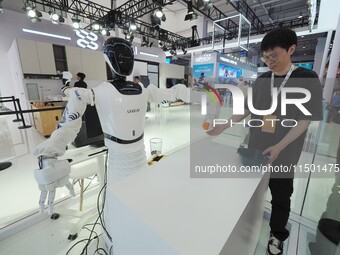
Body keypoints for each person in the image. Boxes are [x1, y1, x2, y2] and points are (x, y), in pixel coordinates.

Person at [32, 37, 190, 251]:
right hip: (130, 161)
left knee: (122, 207)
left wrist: (49, 152)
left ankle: (127, 242)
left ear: (107, 59)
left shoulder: (100, 92)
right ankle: (131, 241)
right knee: (133, 205)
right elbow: (175, 93)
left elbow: (69, 125)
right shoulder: (140, 90)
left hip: (126, 162)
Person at [207, 28, 323, 255]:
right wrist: (224, 125)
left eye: (274, 56)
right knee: (249, 190)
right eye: (265, 57)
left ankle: (277, 235)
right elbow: (247, 109)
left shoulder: (308, 79)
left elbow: (305, 120)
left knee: (281, 196)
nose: (269, 62)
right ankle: (247, 224)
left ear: (291, 50)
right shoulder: (262, 79)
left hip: (285, 153)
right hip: (255, 150)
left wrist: (280, 146)